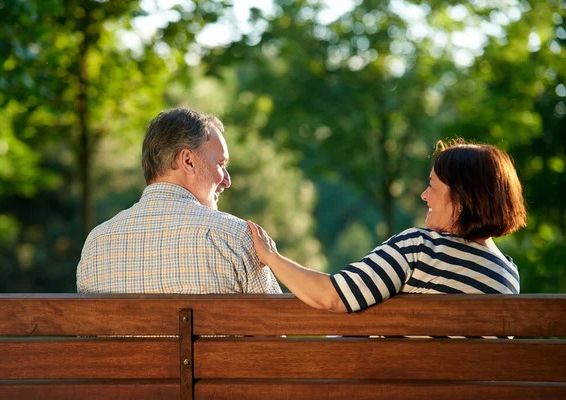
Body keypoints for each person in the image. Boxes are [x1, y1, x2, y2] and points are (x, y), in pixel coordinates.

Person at [249, 139, 526, 313]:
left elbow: (332, 296)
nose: (424, 195)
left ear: (461, 199)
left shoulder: (422, 249)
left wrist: (271, 258)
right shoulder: (507, 277)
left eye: (431, 186)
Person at [77, 108, 281, 294]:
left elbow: (85, 333)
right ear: (188, 161)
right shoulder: (235, 237)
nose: (227, 181)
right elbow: (276, 329)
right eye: (220, 164)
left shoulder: (96, 244)